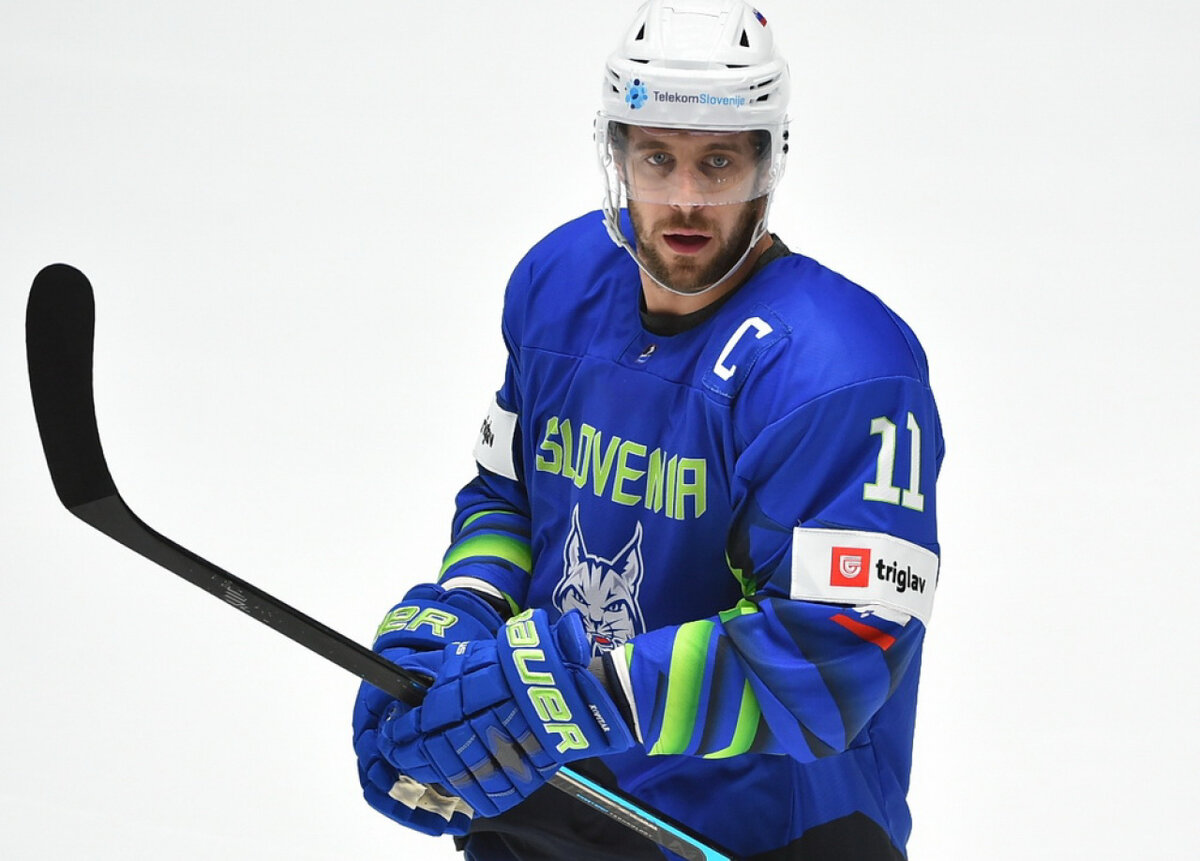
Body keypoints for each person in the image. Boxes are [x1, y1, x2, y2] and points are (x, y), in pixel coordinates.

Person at [352, 2, 944, 859]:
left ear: (768, 162)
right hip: (555, 800)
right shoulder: (557, 285)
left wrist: (571, 693)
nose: (688, 199)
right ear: (617, 155)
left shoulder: (844, 369)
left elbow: (836, 655)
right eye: (659, 158)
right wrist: (464, 613)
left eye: (720, 162)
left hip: (759, 835)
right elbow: (509, 496)